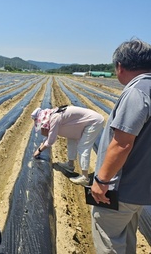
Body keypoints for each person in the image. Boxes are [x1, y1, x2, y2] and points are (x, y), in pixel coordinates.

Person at [90, 39, 151, 253]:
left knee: (109, 239)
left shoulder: (137, 92)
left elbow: (122, 144)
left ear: (120, 66)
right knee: (127, 239)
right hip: (142, 190)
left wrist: (101, 180)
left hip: (122, 191)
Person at [32, 105, 104, 186]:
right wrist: (41, 147)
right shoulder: (52, 115)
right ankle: (70, 165)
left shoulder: (54, 118)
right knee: (71, 139)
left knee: (83, 147)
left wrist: (39, 150)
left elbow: (51, 140)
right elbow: (48, 136)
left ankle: (85, 178)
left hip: (94, 122)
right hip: (83, 122)